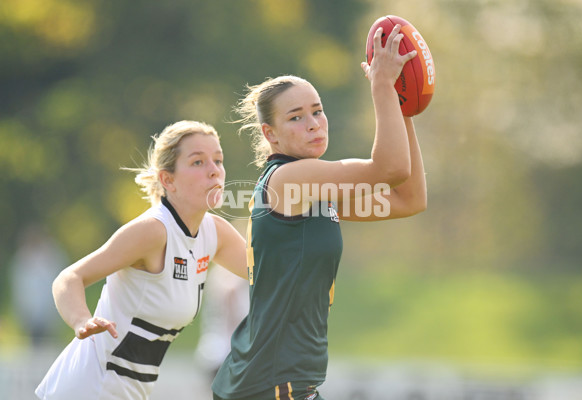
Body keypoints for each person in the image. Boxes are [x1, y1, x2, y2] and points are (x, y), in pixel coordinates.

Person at [212, 25, 428, 400]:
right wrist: (381, 87)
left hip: (281, 380)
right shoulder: (291, 179)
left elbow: (409, 198)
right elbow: (389, 169)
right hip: (271, 383)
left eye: (317, 110)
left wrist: (401, 103)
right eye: (295, 117)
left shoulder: (318, 193)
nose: (313, 122)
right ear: (270, 134)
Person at [35, 120, 247, 400]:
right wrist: (81, 321)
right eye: (198, 162)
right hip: (88, 389)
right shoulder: (152, 231)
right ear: (167, 180)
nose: (214, 171)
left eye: (218, 160)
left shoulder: (215, 232)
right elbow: (69, 278)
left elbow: (273, 272)